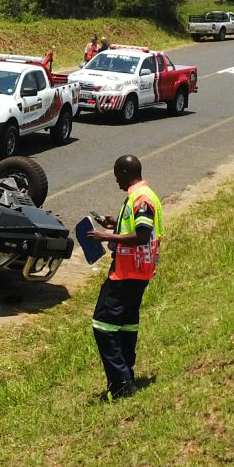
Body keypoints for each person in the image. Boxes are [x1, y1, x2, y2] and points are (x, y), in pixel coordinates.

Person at [86, 154, 163, 402]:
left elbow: (141, 236)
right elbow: (135, 229)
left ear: (125, 172)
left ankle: (120, 383)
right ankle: (127, 375)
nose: (117, 181)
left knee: (103, 325)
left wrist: (106, 238)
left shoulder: (140, 199)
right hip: (139, 272)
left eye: (117, 176)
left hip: (127, 272)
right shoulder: (145, 195)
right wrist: (113, 224)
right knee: (127, 324)